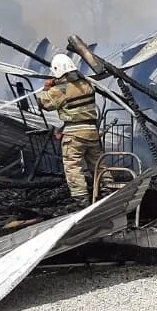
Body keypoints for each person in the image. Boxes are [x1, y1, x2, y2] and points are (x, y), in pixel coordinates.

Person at [38, 54, 102, 204]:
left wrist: (46, 88)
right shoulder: (87, 84)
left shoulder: (60, 89)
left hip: (74, 135)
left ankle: (82, 200)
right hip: (92, 131)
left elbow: (44, 103)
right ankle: (107, 190)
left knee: (73, 166)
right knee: (98, 163)